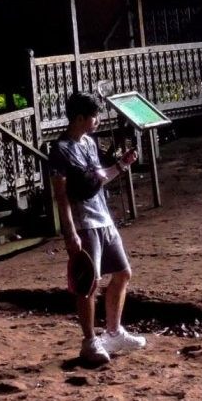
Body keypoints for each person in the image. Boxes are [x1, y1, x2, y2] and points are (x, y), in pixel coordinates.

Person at [48, 92, 146, 366]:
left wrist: (121, 165)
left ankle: (113, 332)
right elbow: (62, 196)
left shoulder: (89, 144)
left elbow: (98, 180)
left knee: (123, 273)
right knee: (88, 282)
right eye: (93, 116)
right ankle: (89, 341)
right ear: (80, 118)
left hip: (104, 218)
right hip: (84, 223)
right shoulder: (60, 151)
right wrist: (70, 232)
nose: (97, 121)